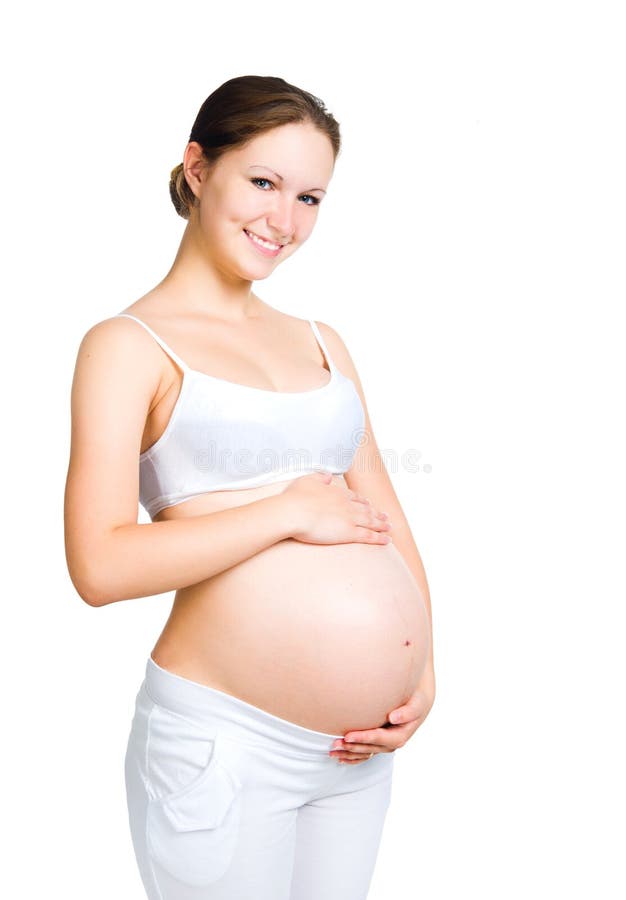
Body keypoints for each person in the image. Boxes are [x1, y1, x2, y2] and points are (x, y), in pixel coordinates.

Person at [64, 74, 436, 900]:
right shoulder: (128, 346)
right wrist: (285, 512)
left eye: (309, 197)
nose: (285, 221)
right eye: (262, 183)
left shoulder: (322, 340)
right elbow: (99, 564)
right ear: (198, 168)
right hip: (224, 744)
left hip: (352, 757)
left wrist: (423, 670)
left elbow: (382, 509)